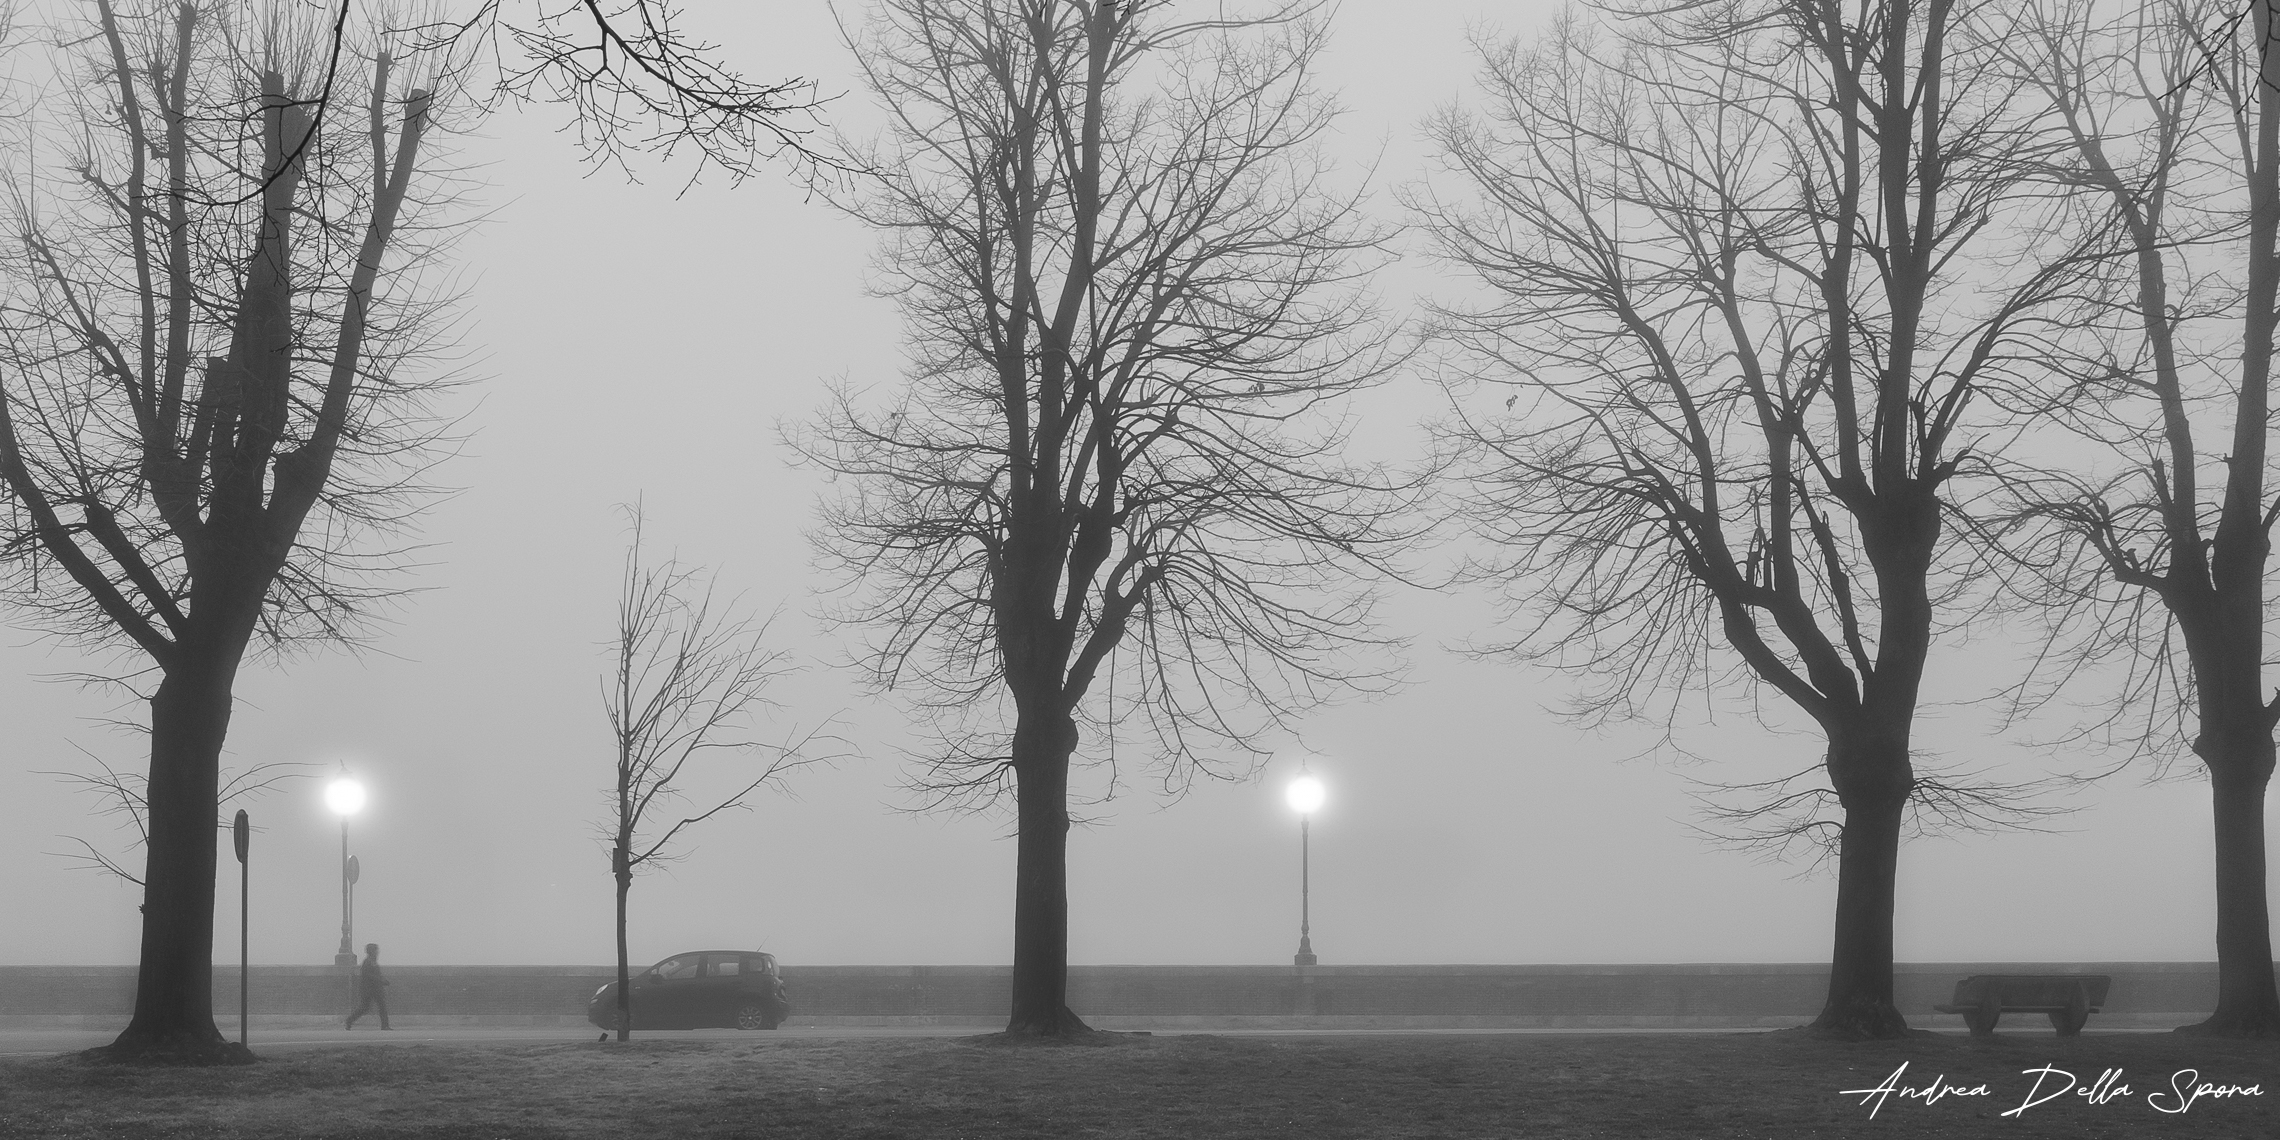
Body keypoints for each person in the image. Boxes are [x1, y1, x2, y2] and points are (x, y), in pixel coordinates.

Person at [346, 942, 391, 1030]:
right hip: (369, 989)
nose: (377, 952)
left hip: (375, 989)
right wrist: (381, 980)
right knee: (364, 1008)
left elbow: (376, 974)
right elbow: (369, 975)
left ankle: (385, 1025)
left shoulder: (373, 961)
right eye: (376, 950)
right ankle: (349, 1020)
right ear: (372, 951)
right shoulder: (367, 962)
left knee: (381, 1006)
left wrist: (382, 980)